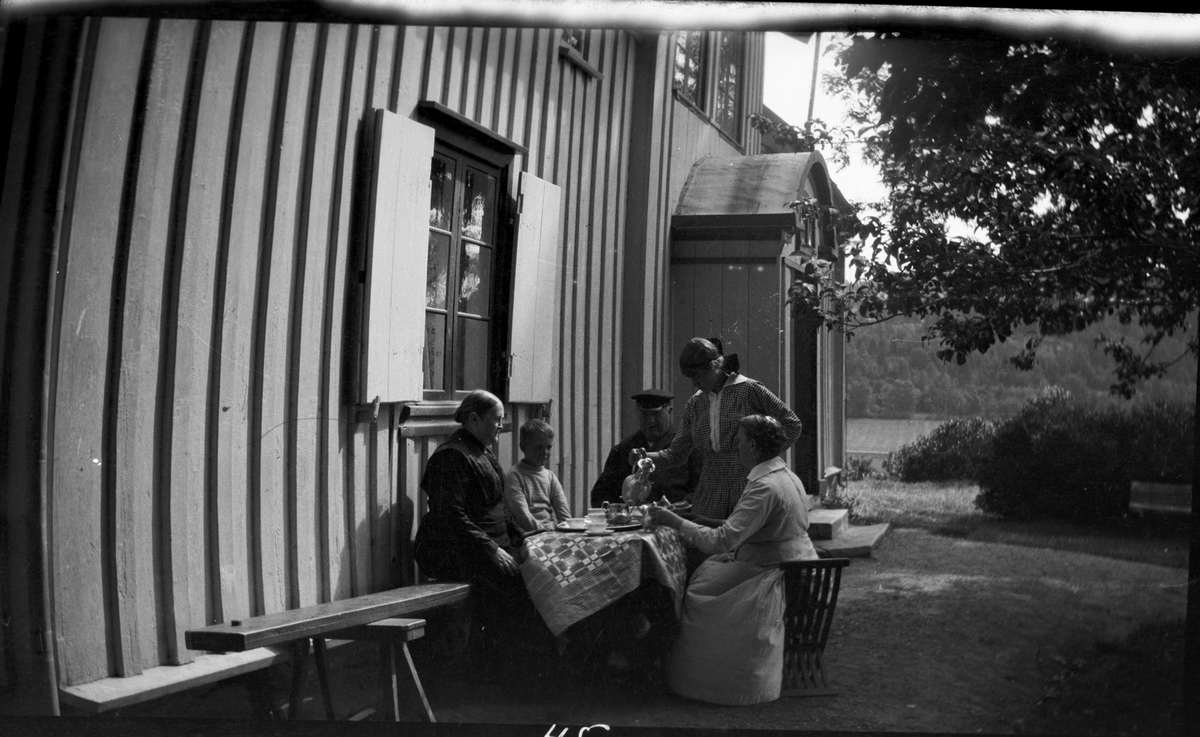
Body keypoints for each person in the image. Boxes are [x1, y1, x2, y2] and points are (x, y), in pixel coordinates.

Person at [647, 414, 818, 705]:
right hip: (794, 562)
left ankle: (708, 681)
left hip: (769, 570)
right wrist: (700, 519)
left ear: (753, 445)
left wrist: (674, 521)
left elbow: (722, 541)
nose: (736, 447)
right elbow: (754, 527)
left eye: (739, 441)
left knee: (696, 590)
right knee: (708, 571)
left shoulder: (764, 487)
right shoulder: (786, 477)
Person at [413, 390, 541, 677]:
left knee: (539, 572)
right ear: (474, 419)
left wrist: (524, 538)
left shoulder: (482, 451)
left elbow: (499, 508)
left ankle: (516, 672)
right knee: (521, 590)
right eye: (497, 420)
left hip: (489, 547)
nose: (501, 426)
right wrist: (492, 550)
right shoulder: (451, 456)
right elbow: (450, 516)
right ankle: (504, 677)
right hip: (459, 553)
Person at [640, 337, 803, 536]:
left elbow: (792, 424)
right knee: (702, 538)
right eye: (691, 378)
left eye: (698, 376)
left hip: (746, 481)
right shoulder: (696, 403)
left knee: (745, 539)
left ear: (714, 366)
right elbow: (677, 453)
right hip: (710, 487)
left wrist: (762, 458)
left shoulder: (749, 390)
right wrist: (647, 458)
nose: (695, 383)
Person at [589, 388, 702, 507]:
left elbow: (701, 491)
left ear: (669, 411)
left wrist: (678, 508)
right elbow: (600, 495)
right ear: (636, 413)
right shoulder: (623, 449)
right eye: (644, 415)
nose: (651, 421)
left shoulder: (688, 446)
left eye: (656, 414)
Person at [504, 418, 571, 534]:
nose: (545, 452)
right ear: (523, 447)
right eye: (539, 447)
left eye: (548, 447)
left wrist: (569, 533)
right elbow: (523, 517)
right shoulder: (514, 476)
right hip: (526, 535)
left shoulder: (550, 477)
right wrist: (547, 534)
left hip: (551, 533)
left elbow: (564, 514)